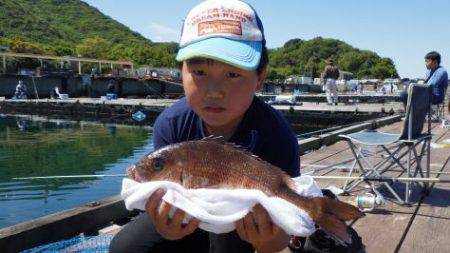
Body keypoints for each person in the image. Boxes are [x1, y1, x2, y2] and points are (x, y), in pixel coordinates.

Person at [109, 1, 300, 252]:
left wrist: (266, 242)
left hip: (239, 224)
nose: (215, 91)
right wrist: (167, 226)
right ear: (181, 72)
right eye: (199, 72)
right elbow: (165, 196)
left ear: (260, 78)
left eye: (233, 74)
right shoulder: (171, 124)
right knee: (125, 246)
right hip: (185, 214)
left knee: (226, 244)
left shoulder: (277, 135)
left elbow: (281, 234)